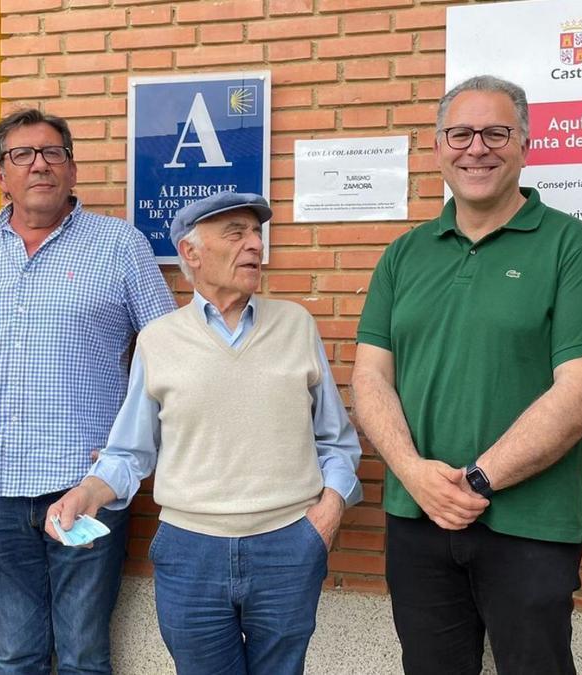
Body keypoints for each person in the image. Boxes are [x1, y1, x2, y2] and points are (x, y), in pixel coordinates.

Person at [352, 75, 582, 674]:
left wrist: (477, 482)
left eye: (495, 132)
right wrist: (415, 475)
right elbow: (370, 379)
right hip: (416, 517)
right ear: (438, 148)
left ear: (525, 145)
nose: (476, 147)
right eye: (460, 133)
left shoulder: (573, 248)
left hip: (530, 524)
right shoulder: (404, 254)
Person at [44, 191, 362, 675]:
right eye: (235, 233)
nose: (254, 245)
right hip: (190, 551)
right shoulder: (159, 340)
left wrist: (328, 513)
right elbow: (130, 452)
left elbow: (335, 440)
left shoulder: (297, 325)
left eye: (256, 233)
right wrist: (88, 491)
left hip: (288, 547)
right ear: (191, 253)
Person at [0, 109, 175, 674]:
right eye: (21, 155)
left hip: (85, 485)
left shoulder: (120, 245)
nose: (39, 166)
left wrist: (134, 452)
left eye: (53, 153)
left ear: (73, 169)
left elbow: (169, 355)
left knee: (82, 656)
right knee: (16, 655)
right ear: (0, 175)